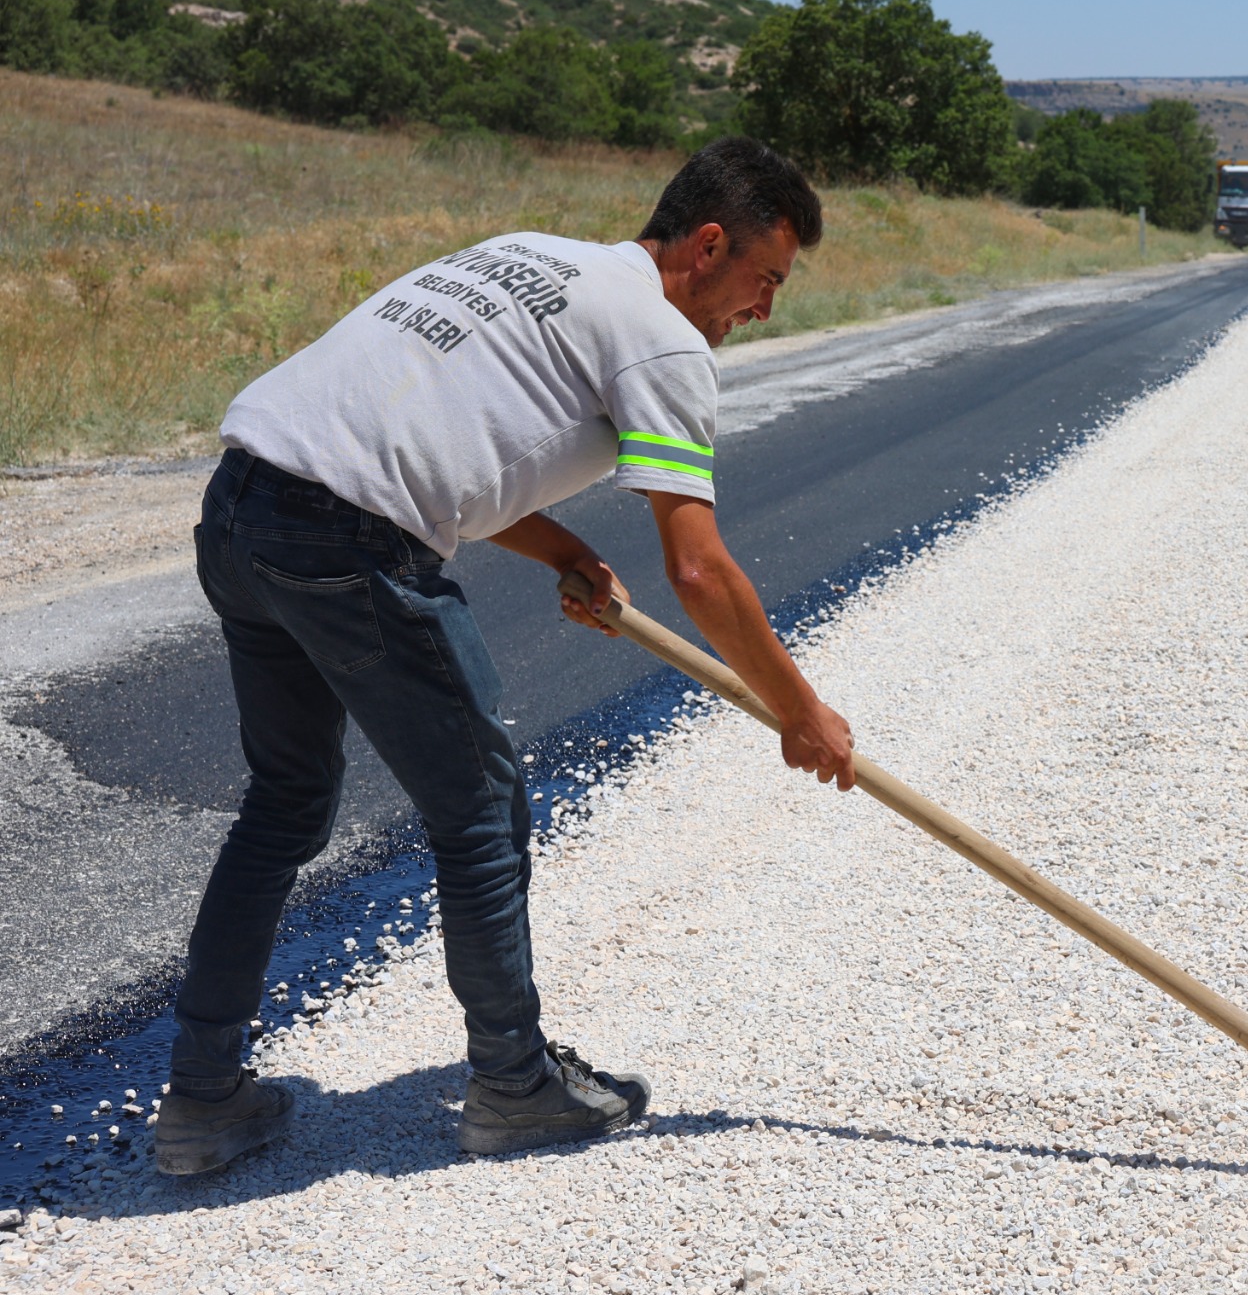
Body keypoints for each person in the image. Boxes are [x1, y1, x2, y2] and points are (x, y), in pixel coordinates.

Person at [155, 136, 857, 1177]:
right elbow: (700, 571)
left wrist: (567, 548)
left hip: (243, 507)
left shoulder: (531, 255)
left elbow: (444, 439)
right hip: (350, 542)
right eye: (764, 279)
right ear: (709, 244)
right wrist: (801, 709)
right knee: (478, 808)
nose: (762, 309)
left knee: (288, 800)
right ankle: (514, 1082)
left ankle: (203, 1101)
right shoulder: (664, 339)